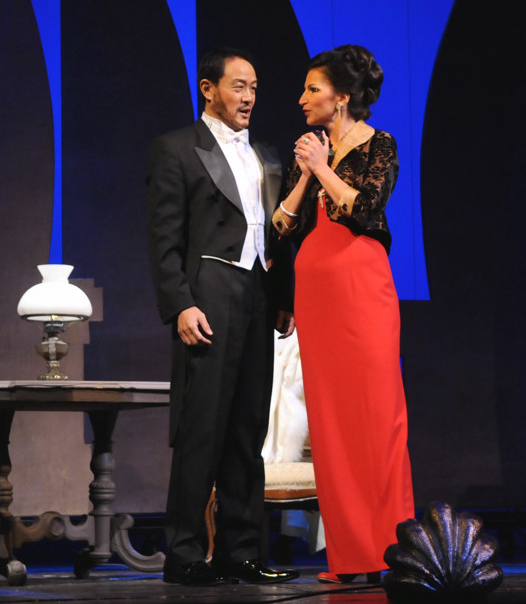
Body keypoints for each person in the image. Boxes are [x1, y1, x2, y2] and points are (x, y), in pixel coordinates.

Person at [147, 48, 300, 586]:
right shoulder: (176, 149)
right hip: (208, 293)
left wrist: (283, 297)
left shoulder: (265, 154)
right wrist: (180, 304)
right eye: (239, 86)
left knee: (247, 429)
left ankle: (242, 551)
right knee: (202, 427)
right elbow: (164, 240)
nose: (249, 97)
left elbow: (277, 233)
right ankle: (185, 553)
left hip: (257, 293)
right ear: (208, 89)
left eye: (254, 87)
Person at [271, 44, 415, 583]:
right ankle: (350, 555)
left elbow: (364, 209)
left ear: (342, 97)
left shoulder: (381, 144)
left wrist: (321, 167)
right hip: (317, 288)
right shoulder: (310, 149)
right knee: (330, 422)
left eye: (313, 89)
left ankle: (391, 549)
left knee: (377, 414)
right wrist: (305, 173)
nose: (301, 98)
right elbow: (283, 225)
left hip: (362, 281)